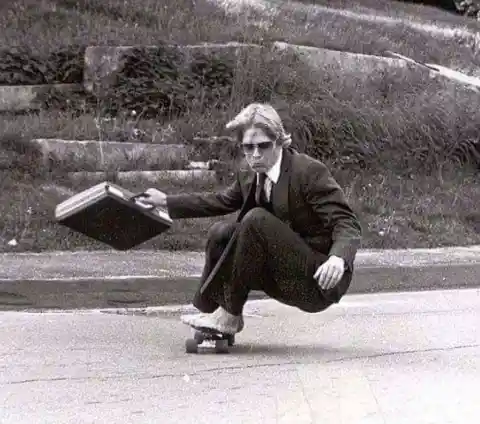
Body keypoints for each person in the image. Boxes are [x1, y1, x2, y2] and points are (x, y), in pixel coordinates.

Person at [138, 103, 362, 335]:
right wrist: (166, 201)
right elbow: (219, 201)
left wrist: (338, 259)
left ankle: (229, 316)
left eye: (263, 146)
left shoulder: (307, 172)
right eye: (248, 147)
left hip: (317, 280)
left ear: (278, 142)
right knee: (221, 232)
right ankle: (210, 313)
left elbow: (346, 222)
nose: (255, 155)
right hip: (279, 274)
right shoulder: (249, 174)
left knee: (256, 220)